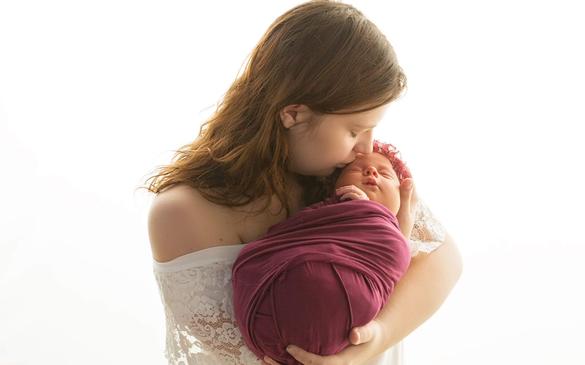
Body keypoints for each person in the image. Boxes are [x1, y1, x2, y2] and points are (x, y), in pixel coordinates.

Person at [144, 1, 463, 364]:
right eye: (355, 130)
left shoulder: (351, 175)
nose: (368, 147)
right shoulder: (185, 213)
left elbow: (444, 259)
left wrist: (374, 341)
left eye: (373, 129)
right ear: (294, 114)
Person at [231, 142, 423, 364]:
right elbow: (291, 234)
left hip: (342, 326)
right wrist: (355, 211)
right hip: (278, 300)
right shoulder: (322, 213)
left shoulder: (394, 234)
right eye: (356, 169)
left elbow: (394, 262)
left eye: (385, 174)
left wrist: (380, 221)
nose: (371, 172)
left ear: (401, 197)